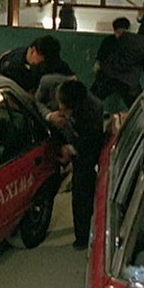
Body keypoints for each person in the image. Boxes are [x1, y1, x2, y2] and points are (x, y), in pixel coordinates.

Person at [42, 79, 103, 250]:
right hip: (58, 135)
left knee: (82, 190)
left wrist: (71, 149)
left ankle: (83, 236)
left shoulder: (94, 110)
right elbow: (37, 104)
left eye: (63, 107)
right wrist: (50, 116)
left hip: (83, 149)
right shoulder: (51, 85)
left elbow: (90, 141)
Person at [91, 17, 144, 109]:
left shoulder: (125, 36)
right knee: (139, 108)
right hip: (128, 82)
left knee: (90, 101)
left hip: (107, 75)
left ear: (140, 28)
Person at [0, 35, 74, 94]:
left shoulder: (51, 61)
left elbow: (71, 78)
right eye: (42, 62)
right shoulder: (11, 65)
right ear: (33, 51)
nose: (45, 66)